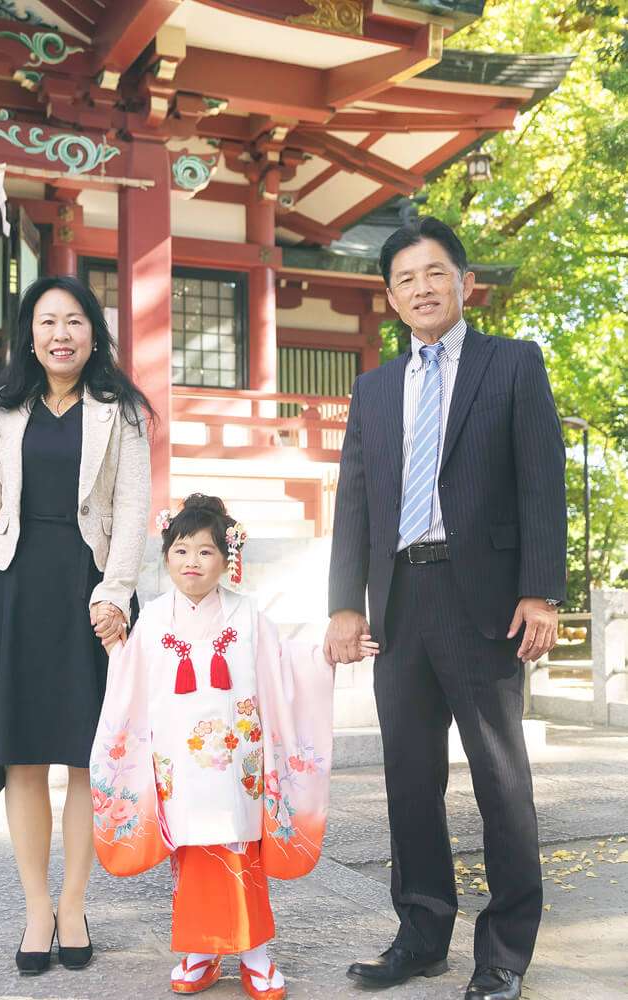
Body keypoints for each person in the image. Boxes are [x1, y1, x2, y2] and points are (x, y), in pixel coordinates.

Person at [325, 217, 566, 1000]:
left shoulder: (513, 364)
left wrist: (542, 590)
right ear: (390, 298)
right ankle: (423, 933)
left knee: (501, 780)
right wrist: (344, 607)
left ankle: (503, 952)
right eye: (405, 279)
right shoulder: (374, 388)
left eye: (435, 273)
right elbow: (354, 503)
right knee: (409, 777)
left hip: (486, 600)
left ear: (464, 283)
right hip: (401, 599)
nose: (421, 288)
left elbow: (541, 480)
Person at [0, 275, 153, 975]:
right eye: (47, 322)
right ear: (29, 336)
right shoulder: (3, 409)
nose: (61, 334)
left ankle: (73, 903)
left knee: (87, 758)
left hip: (87, 590)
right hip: (15, 587)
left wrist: (116, 592)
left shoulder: (119, 409)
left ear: (94, 333)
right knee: (24, 756)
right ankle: (37, 907)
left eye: (74, 321)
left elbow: (132, 509)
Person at [90, 494, 348, 998]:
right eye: (181, 550)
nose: (192, 562)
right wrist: (117, 650)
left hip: (238, 766)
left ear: (227, 558)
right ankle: (201, 951)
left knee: (237, 845)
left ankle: (255, 953)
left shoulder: (248, 614)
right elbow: (130, 684)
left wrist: (328, 655)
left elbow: (288, 666)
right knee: (191, 850)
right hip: (178, 763)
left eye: (206, 552)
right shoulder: (155, 620)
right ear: (166, 554)